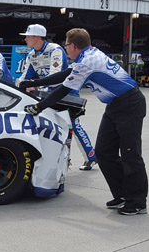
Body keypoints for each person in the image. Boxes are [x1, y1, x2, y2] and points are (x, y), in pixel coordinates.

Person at [19, 28, 148, 216]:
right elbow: (65, 74)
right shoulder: (88, 55)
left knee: (131, 154)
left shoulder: (88, 61)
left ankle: (137, 202)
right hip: (115, 105)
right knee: (104, 152)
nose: (65, 48)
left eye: (66, 45)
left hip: (129, 104)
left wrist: (39, 107)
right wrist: (33, 83)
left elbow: (63, 89)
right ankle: (122, 194)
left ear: (73, 46)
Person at [18, 24, 97, 171]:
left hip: (66, 92)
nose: (25, 39)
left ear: (37, 37)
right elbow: (24, 78)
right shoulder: (31, 55)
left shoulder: (55, 50)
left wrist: (37, 87)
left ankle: (91, 156)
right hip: (47, 95)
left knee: (73, 126)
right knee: (51, 127)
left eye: (28, 36)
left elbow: (55, 77)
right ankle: (59, 160)